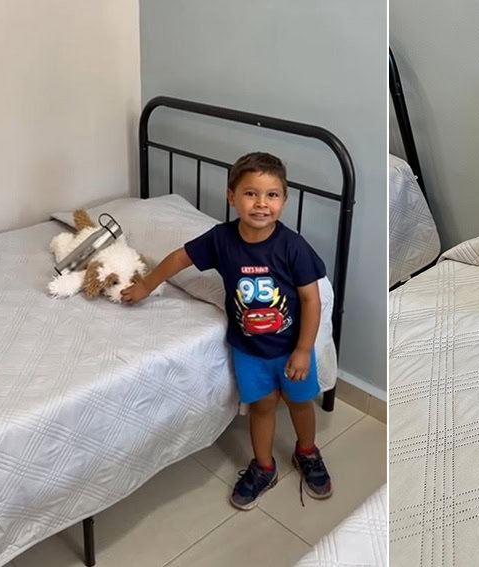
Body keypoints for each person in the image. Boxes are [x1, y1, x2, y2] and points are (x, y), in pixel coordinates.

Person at [121, 152, 332, 510]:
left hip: (292, 347)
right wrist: (146, 286)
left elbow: (312, 301)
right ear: (232, 196)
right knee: (262, 407)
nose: (261, 204)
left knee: (299, 403)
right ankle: (264, 467)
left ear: (284, 199)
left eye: (272, 195)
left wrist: (302, 350)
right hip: (249, 350)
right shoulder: (221, 239)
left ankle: (307, 452)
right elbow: (177, 258)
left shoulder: (293, 246)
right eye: (251, 194)